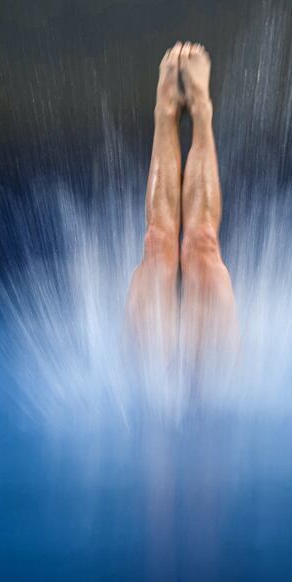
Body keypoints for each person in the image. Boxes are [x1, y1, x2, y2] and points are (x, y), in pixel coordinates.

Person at [126, 42, 238, 379]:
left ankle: (201, 111)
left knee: (201, 245)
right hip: (156, 393)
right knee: (158, 244)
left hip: (211, 394)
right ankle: (167, 111)